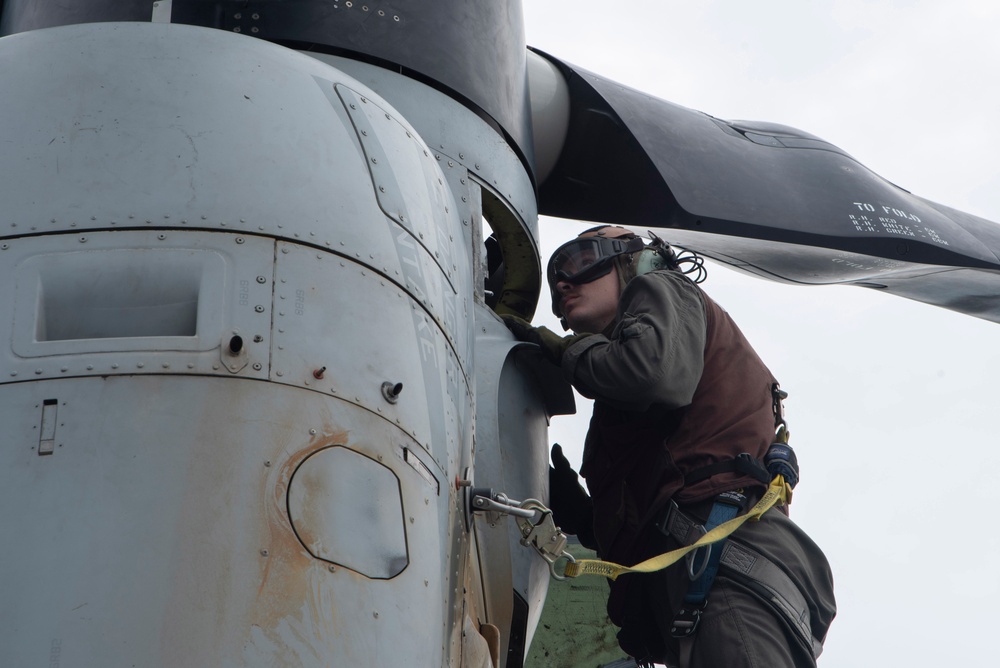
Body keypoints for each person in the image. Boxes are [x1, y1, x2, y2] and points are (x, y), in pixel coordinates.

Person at [502, 226, 836, 668]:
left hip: (726, 572)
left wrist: (566, 351)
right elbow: (655, 507)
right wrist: (583, 515)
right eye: (555, 275)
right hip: (699, 584)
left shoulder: (661, 287)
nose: (563, 281)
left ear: (632, 260)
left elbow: (652, 375)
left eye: (582, 260)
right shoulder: (622, 399)